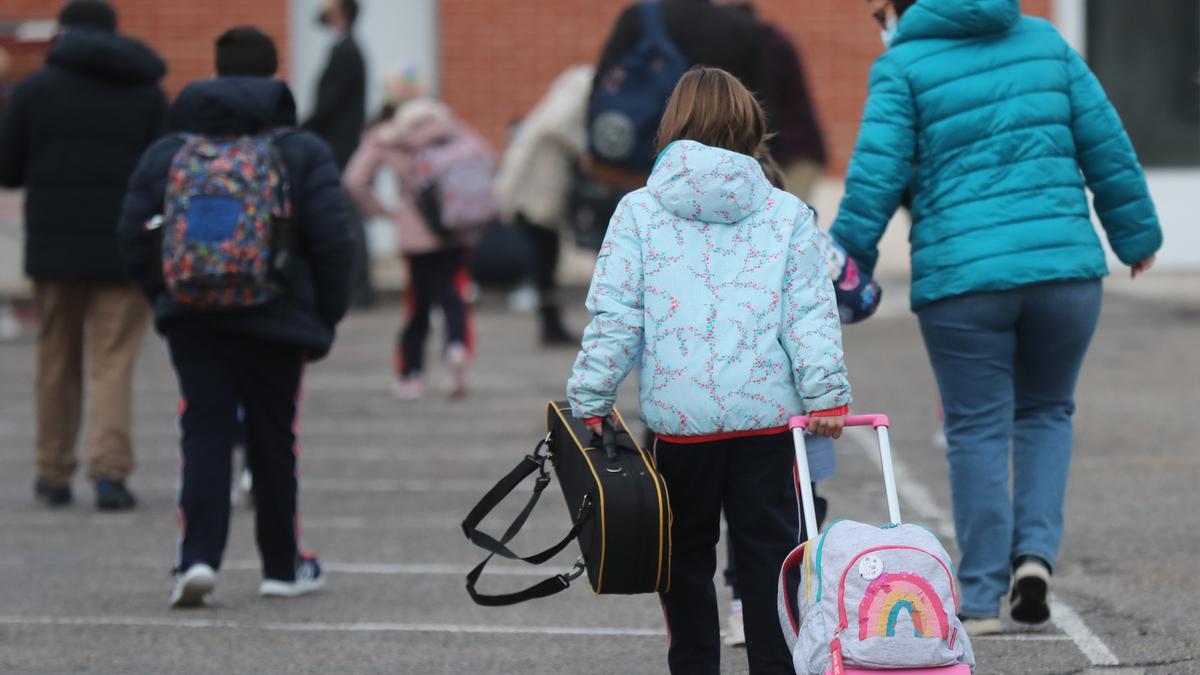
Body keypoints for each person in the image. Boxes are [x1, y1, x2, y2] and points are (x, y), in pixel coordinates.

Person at [831, 0, 1162, 636]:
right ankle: (1034, 558)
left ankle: (982, 594)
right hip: (1065, 272)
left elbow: (876, 178)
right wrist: (1136, 235)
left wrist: (845, 270)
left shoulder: (904, 64)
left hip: (963, 282)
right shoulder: (1043, 40)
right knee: (1046, 411)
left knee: (977, 428)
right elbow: (1105, 143)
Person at [567, 67, 852, 675]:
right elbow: (809, 314)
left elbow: (617, 317)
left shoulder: (639, 212)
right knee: (770, 558)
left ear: (674, 125)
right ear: (750, 126)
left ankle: (695, 666)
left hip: (680, 424)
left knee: (684, 561)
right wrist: (826, 395)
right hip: (767, 423)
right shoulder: (786, 212)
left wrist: (591, 396)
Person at [118, 26, 354, 608]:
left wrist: (166, 298)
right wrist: (324, 317)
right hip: (277, 316)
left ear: (217, 70)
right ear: (275, 73)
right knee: (274, 440)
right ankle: (282, 565)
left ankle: (195, 560)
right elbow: (332, 242)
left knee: (203, 432)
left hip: (194, 316)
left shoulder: (171, 152)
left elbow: (131, 234)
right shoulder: (300, 152)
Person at [0, 0, 167, 511]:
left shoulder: (33, 90)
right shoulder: (147, 91)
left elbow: (8, 170)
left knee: (56, 360)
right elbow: (163, 171)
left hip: (54, 246)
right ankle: (109, 473)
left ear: (64, 32)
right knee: (112, 361)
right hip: (123, 244)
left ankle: (53, 472)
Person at [344, 98, 492, 400]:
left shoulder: (388, 138)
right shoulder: (450, 127)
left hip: (416, 232)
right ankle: (456, 347)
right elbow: (490, 161)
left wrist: (384, 212)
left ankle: (411, 375)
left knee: (419, 305)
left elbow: (354, 180)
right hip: (457, 227)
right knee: (452, 293)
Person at [494, 65, 594, 346]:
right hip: (538, 189)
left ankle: (551, 322)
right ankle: (550, 324)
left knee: (546, 256)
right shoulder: (581, 88)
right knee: (545, 255)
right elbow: (558, 126)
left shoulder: (572, 87)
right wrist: (586, 148)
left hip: (537, 187)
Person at [305, 0, 371, 307]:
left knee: (347, 215)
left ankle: (358, 289)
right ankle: (357, 288)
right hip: (339, 145)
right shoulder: (343, 48)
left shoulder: (346, 52)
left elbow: (327, 106)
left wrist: (300, 128)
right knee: (347, 214)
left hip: (339, 147)